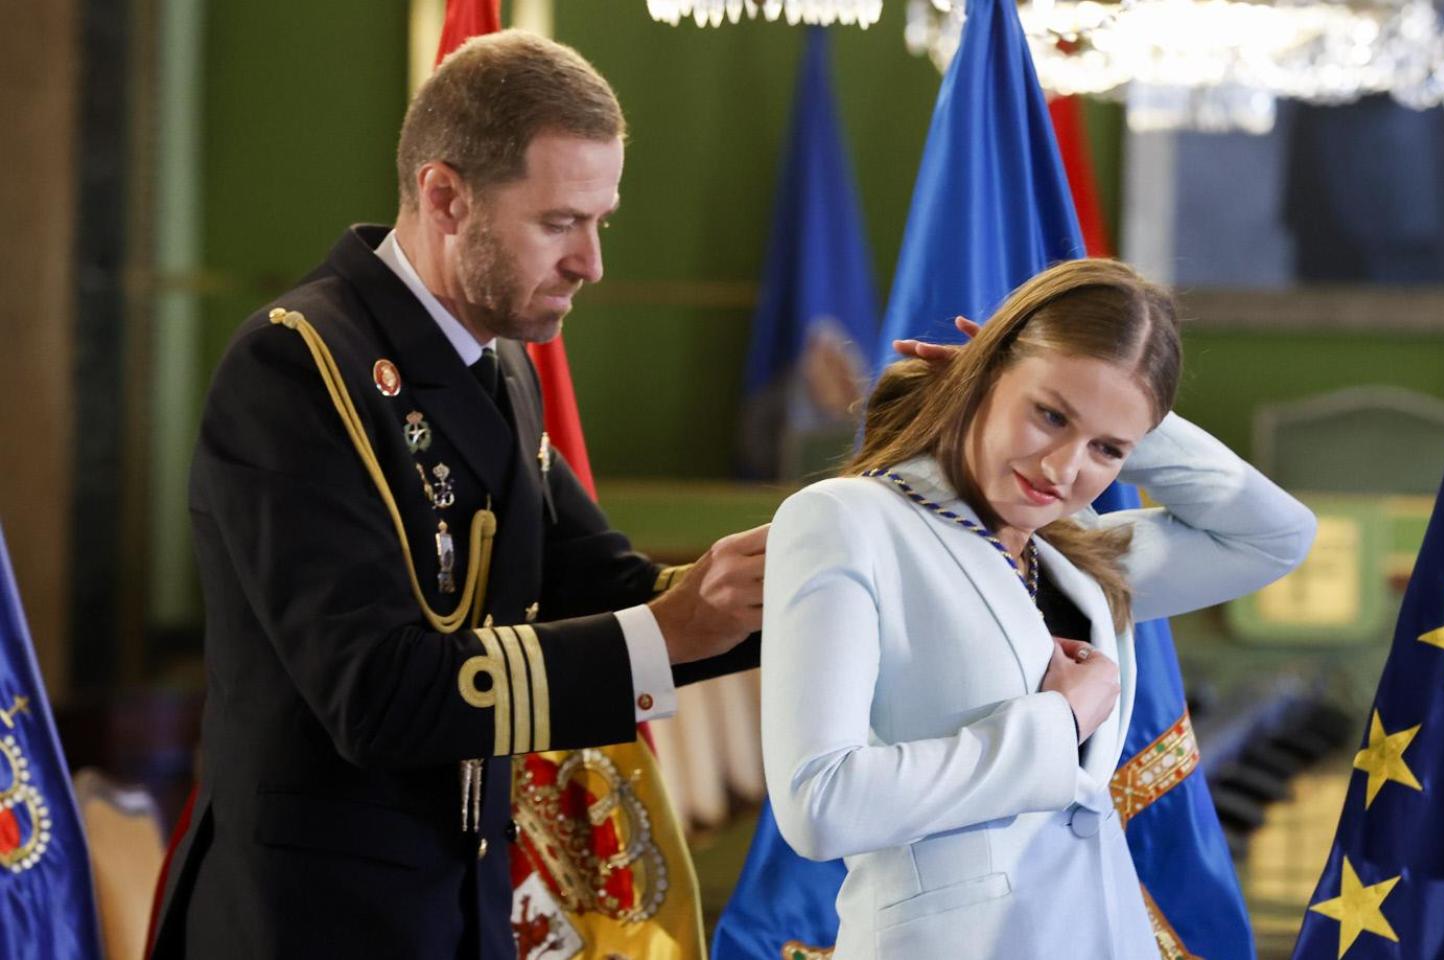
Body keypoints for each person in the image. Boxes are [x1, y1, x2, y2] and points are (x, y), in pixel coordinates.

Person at [150, 31, 766, 959]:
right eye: (560, 222)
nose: (592, 262)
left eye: (602, 220)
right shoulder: (298, 365)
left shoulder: (499, 365)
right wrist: (673, 628)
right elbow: (379, 696)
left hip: (461, 908)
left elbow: (607, 587)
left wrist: (867, 539)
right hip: (310, 923)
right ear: (445, 196)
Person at [761, 258, 1317, 959]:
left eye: (1105, 450)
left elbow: (1277, 536)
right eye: (1049, 414)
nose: (1061, 468)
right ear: (987, 372)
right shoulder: (850, 519)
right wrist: (1057, 726)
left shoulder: (1075, 555)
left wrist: (1128, 411)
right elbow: (820, 805)